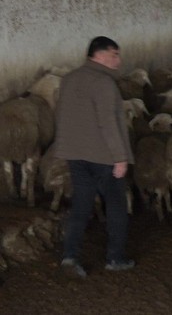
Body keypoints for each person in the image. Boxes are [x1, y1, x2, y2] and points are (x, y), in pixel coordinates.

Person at [54, 36, 135, 278]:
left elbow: (62, 115)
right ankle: (116, 258)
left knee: (81, 204)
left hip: (75, 155)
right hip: (104, 156)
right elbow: (108, 123)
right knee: (116, 206)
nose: (118, 60)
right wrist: (120, 157)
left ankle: (69, 256)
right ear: (99, 55)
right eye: (115, 54)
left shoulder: (69, 79)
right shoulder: (104, 83)